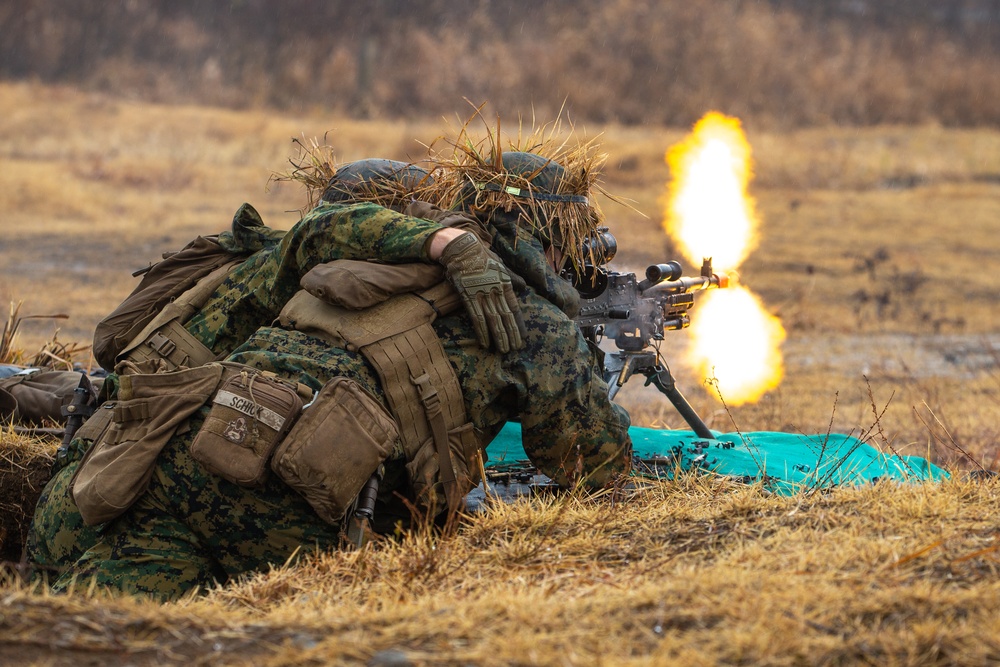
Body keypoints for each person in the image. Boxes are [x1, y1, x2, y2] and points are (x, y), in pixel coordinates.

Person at [33, 144, 633, 601]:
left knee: (96, 612)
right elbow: (592, 463)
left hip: (183, 453)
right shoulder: (535, 325)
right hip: (287, 505)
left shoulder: (351, 264)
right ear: (550, 241)